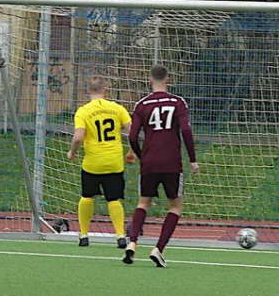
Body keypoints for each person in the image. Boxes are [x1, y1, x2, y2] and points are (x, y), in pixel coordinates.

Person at [123, 64, 199, 268]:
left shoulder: (142, 104)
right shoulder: (177, 102)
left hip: (149, 162)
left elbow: (132, 135)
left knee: (143, 203)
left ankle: (132, 243)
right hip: (172, 163)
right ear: (168, 79)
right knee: (175, 206)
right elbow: (186, 131)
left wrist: (141, 155)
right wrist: (192, 159)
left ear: (150, 80)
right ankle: (158, 249)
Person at [67, 76, 134, 248]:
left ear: (88, 91)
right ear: (106, 90)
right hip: (114, 161)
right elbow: (132, 131)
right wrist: (132, 151)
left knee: (87, 196)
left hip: (93, 163)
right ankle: (120, 235)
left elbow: (78, 137)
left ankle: (83, 235)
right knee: (113, 199)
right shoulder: (117, 108)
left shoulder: (83, 111)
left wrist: (72, 152)